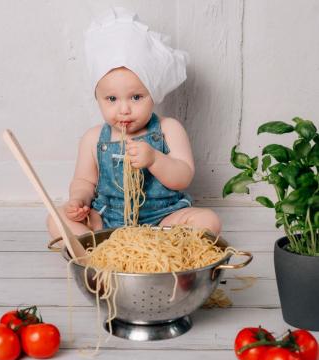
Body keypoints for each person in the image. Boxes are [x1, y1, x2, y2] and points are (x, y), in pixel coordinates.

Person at [47, 7, 221, 238]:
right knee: (55, 220)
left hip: (163, 220)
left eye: (136, 97)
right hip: (107, 220)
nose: (124, 109)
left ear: (154, 94)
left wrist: (154, 159)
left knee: (209, 220)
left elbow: (182, 178)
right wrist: (79, 200)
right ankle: (102, 252)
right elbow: (84, 180)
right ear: (97, 99)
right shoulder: (93, 138)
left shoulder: (169, 129)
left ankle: (159, 248)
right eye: (111, 99)